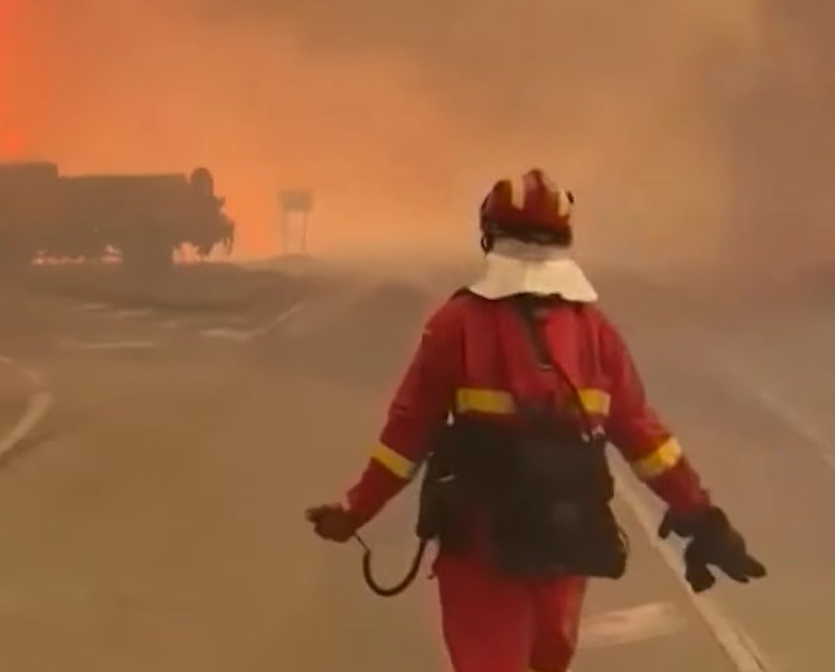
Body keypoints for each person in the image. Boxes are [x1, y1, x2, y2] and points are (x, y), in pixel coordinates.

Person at [306, 168, 764, 672]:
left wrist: (354, 510)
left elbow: (405, 436)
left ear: (490, 238)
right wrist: (701, 516)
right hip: (565, 544)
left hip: (480, 548)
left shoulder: (456, 324)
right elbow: (645, 439)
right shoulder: (595, 331)